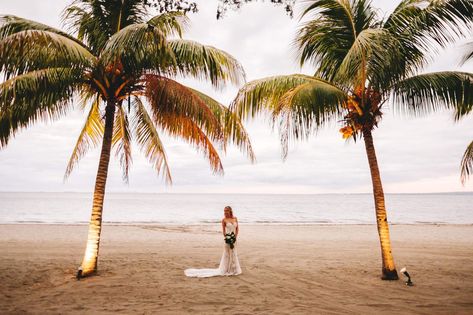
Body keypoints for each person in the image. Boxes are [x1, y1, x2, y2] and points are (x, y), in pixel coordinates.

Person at [184, 206, 242, 277]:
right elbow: (224, 232)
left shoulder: (235, 218)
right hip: (228, 239)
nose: (225, 212)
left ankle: (234, 269)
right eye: (224, 211)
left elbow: (237, 229)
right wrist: (228, 239)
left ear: (230, 211)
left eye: (226, 211)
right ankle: (226, 269)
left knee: (234, 253)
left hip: (234, 239)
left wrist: (235, 237)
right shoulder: (224, 220)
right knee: (227, 254)